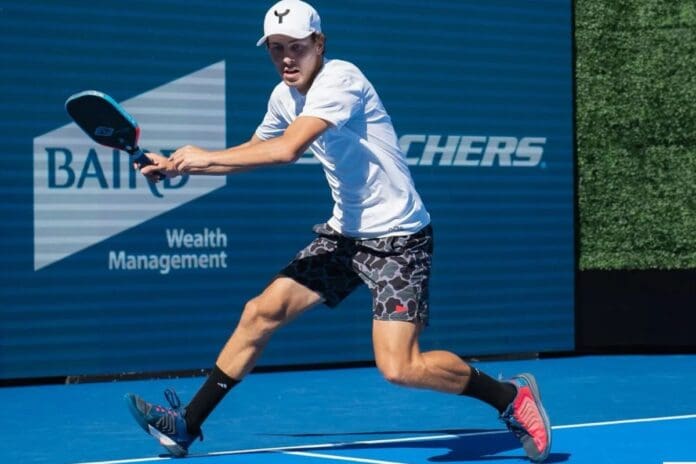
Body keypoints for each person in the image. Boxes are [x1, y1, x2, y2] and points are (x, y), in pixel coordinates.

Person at [124, 0, 552, 461]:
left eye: (296, 47)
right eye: (275, 49)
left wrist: (203, 156)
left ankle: (510, 398)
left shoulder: (341, 79)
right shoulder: (283, 97)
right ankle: (187, 424)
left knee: (400, 368)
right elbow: (255, 148)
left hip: (398, 241)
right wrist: (176, 167)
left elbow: (287, 150)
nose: (286, 58)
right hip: (343, 236)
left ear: (319, 44)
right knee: (260, 312)